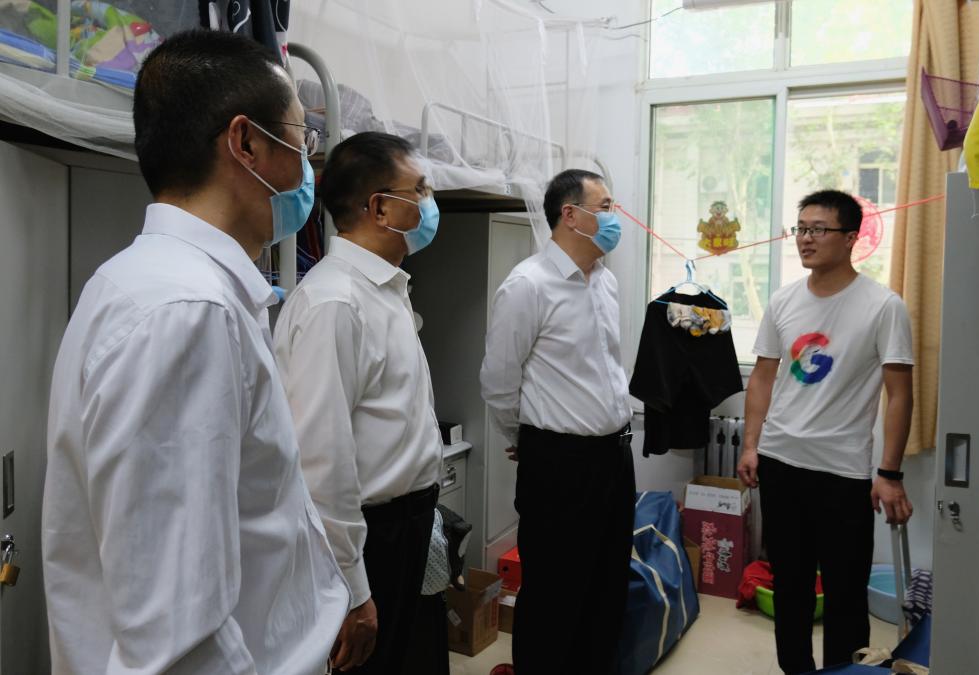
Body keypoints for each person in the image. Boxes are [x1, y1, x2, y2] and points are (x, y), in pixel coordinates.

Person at [42, 30, 349, 674]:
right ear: (246, 143)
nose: (308, 161)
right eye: (302, 136)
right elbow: (176, 640)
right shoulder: (186, 312)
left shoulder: (155, 285)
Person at [274, 131, 445, 674]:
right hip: (371, 537)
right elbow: (321, 462)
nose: (429, 203)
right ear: (380, 207)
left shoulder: (385, 289)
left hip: (408, 522)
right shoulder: (335, 302)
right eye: (420, 191)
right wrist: (352, 589)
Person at [736, 190, 915, 674]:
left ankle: (843, 672)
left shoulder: (883, 305)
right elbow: (763, 378)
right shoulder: (783, 300)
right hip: (780, 463)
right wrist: (751, 445)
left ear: (851, 237)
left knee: (845, 593)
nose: (806, 239)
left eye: (818, 229)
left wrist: (889, 473)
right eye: (801, 229)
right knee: (791, 586)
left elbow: (900, 394)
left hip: (843, 471)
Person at [480, 169, 634, 674]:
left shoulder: (605, 280)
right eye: (605, 207)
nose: (614, 217)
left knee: (607, 586)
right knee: (554, 593)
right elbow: (498, 381)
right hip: (560, 463)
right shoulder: (528, 285)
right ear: (570, 215)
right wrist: (524, 437)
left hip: (614, 456)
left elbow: (606, 369)